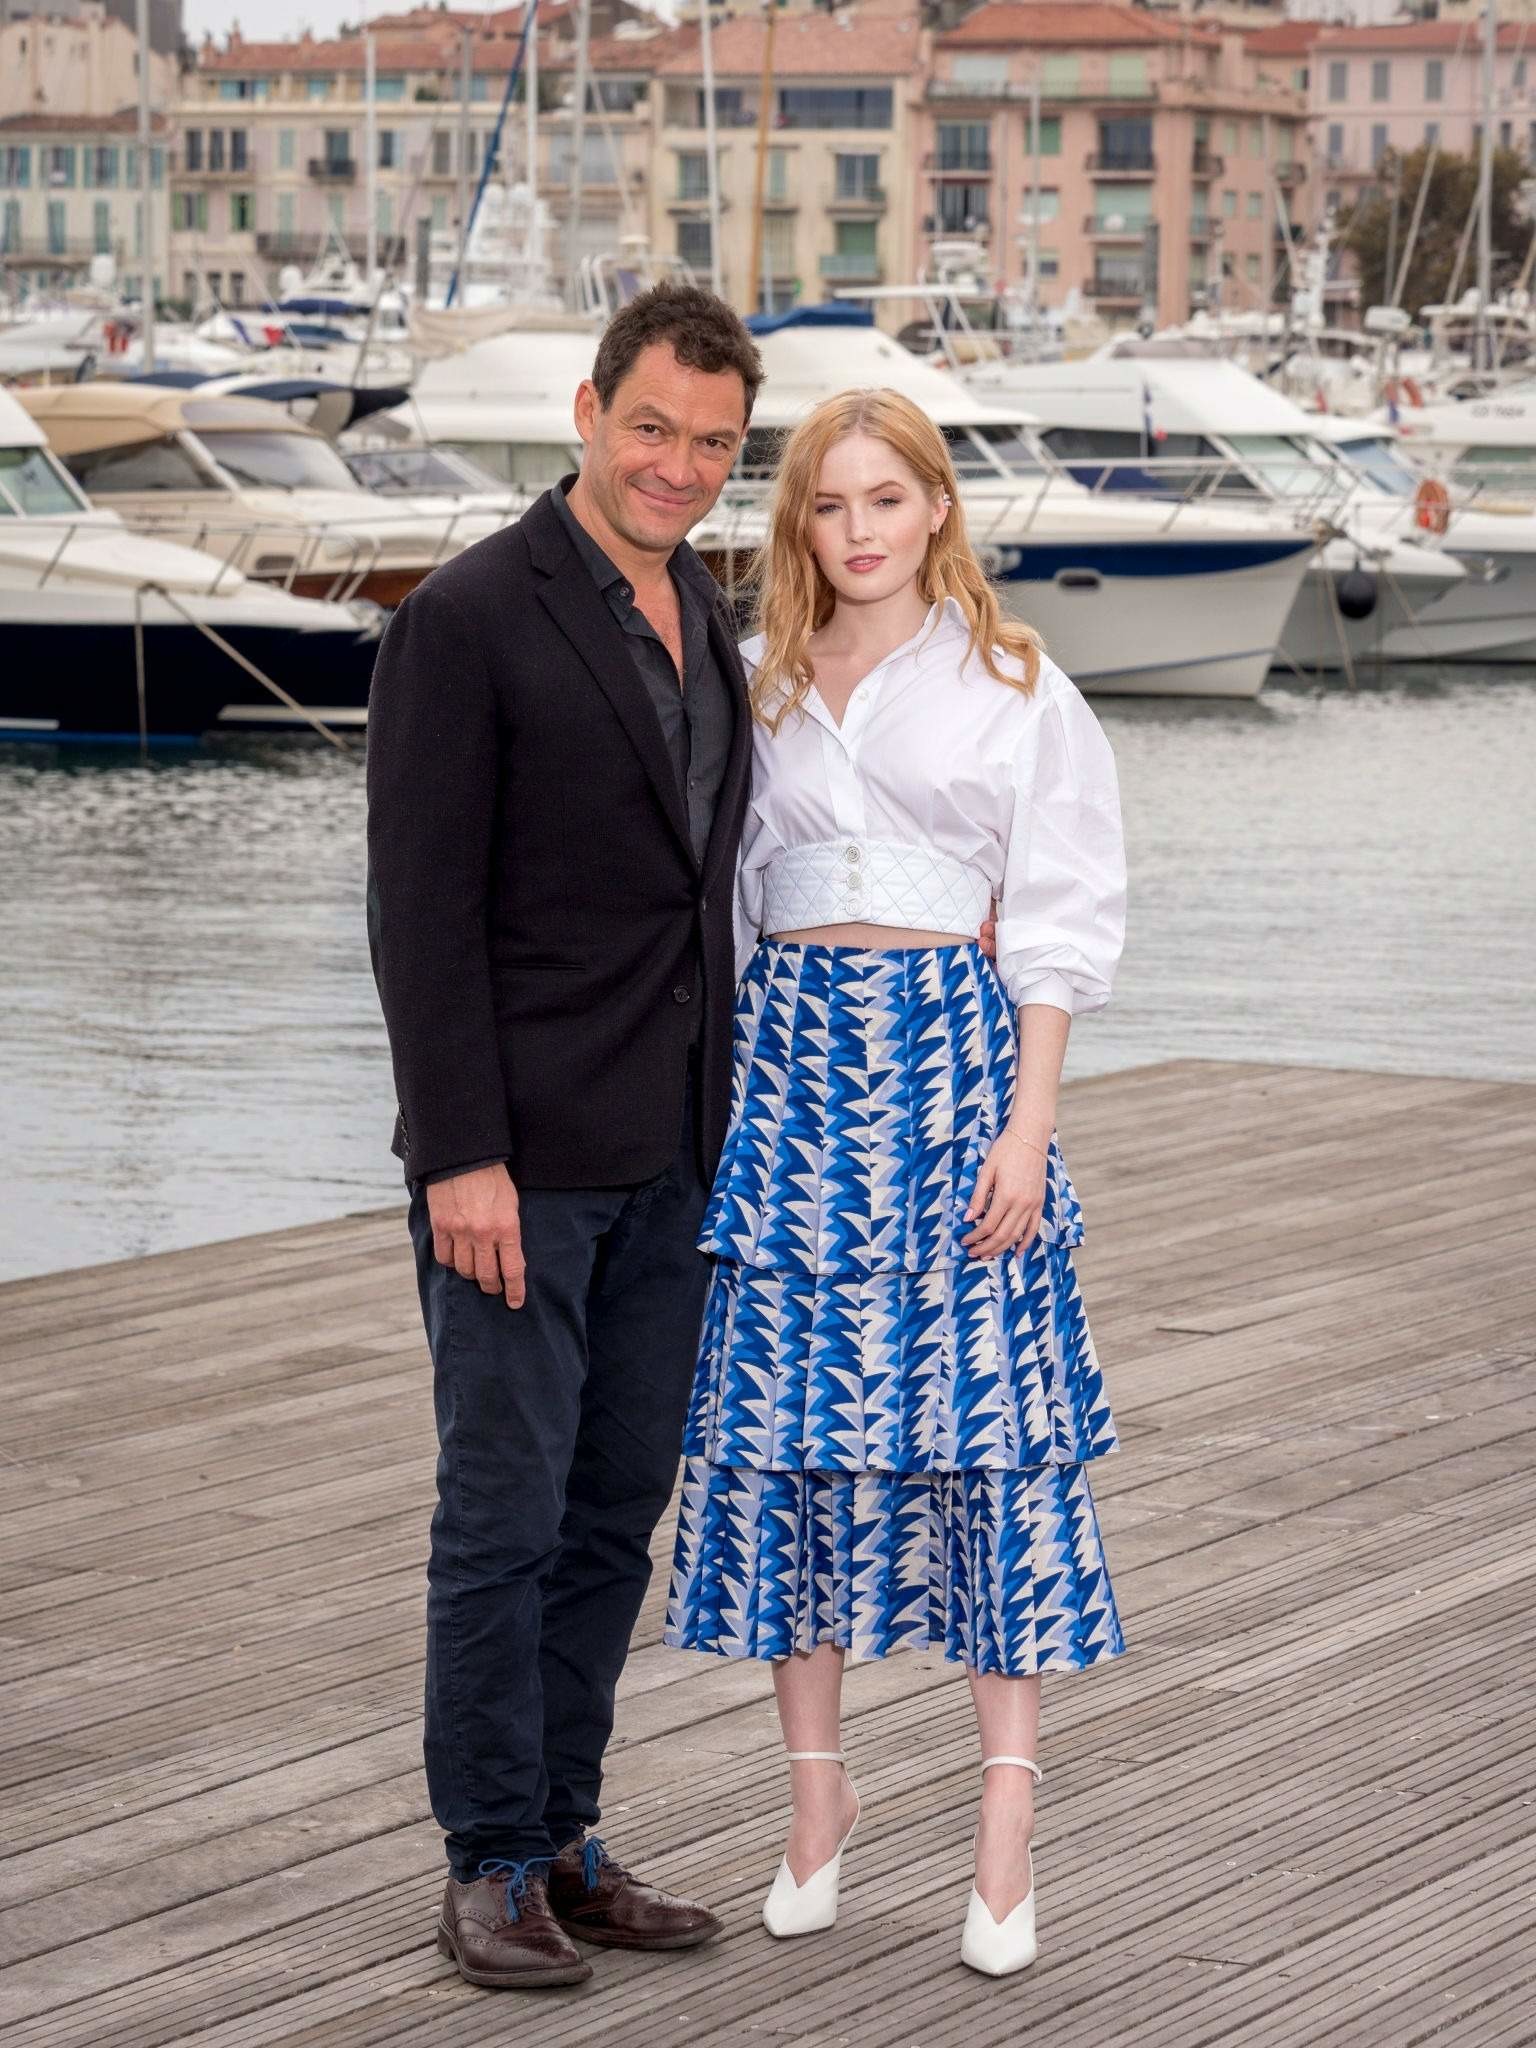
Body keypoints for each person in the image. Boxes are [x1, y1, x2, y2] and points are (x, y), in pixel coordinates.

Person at [664, 389, 1128, 1979]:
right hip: (795, 1084)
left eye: (885, 498)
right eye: (826, 503)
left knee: (992, 1445)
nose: (857, 530)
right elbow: (725, 911)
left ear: (937, 506)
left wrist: (1028, 1127)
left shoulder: (1018, 686)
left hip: (956, 1080)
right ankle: (818, 1801)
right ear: (798, 525)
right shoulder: (755, 682)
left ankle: (1006, 1825)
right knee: (790, 1443)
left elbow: (1059, 915)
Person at [365, 282, 764, 1991]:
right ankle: (487, 1862)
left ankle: (565, 1836)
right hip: (516, 1167)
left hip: (675, 1154)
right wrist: (460, 1154)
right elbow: (419, 914)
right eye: (654, 427)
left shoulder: (706, 612)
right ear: (590, 415)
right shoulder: (465, 619)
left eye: (715, 443)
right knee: (504, 1517)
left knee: (613, 1516)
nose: (680, 465)